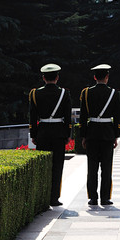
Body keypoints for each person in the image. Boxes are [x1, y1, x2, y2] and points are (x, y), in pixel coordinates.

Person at [29, 63, 72, 206]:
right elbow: (67, 117)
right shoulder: (64, 93)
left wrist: (33, 135)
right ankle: (54, 198)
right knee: (57, 166)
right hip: (59, 133)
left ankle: (42, 198)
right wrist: (67, 134)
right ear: (57, 77)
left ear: (43, 78)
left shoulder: (35, 93)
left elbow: (33, 118)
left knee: (43, 167)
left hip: (43, 133)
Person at [80, 64, 120, 205]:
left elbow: (83, 117)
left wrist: (83, 136)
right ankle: (105, 198)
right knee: (106, 167)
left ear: (94, 77)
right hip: (107, 134)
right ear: (107, 77)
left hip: (92, 133)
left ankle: (92, 197)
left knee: (92, 167)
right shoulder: (114, 93)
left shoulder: (86, 93)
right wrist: (116, 135)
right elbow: (118, 117)